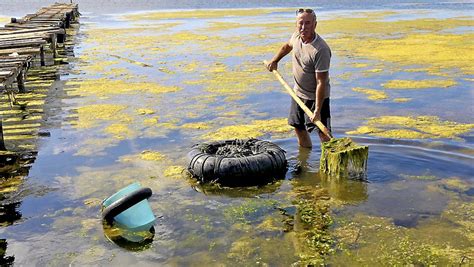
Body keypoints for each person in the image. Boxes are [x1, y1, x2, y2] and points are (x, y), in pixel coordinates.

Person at [266, 8, 332, 148]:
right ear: (296, 24)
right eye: (300, 23)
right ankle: (305, 156)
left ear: (315, 24)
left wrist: (317, 110)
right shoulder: (296, 36)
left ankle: (330, 158)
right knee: (298, 127)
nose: (303, 27)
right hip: (298, 94)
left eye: (308, 23)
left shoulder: (321, 49)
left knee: (323, 133)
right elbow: (287, 47)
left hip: (317, 97)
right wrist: (275, 61)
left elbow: (321, 82)